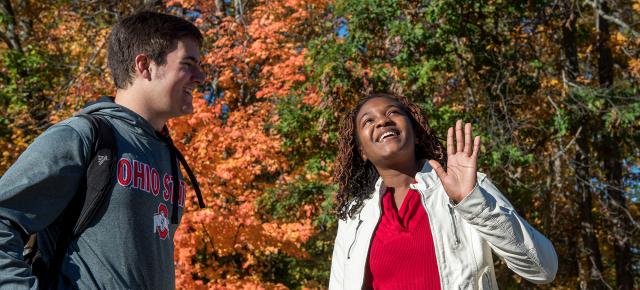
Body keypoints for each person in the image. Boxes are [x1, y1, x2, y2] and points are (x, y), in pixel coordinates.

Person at [0, 11, 205, 289]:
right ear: (145, 66)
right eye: (188, 64)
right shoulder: (84, 137)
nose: (200, 77)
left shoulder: (168, 156)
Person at [329, 93, 558, 289]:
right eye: (368, 121)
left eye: (392, 113)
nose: (382, 122)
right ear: (362, 152)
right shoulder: (354, 215)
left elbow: (543, 270)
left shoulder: (467, 187)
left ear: (416, 133)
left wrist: (471, 202)